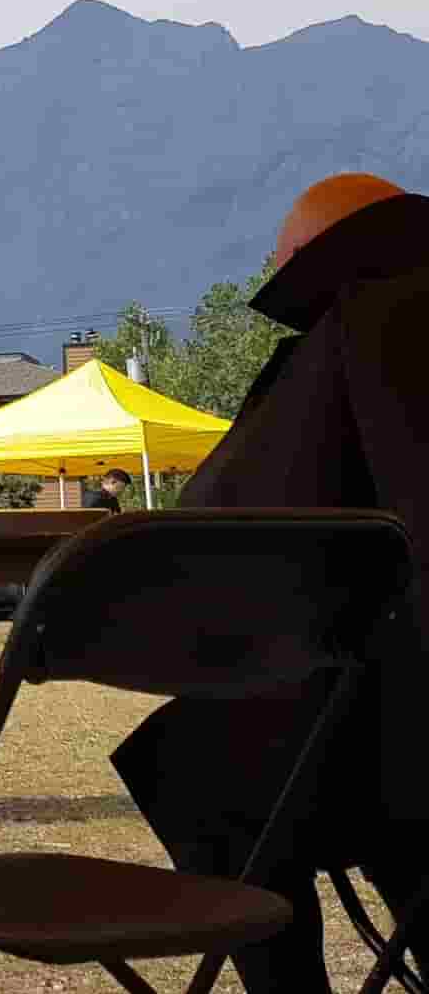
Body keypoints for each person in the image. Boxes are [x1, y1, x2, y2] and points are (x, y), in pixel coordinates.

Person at [109, 172, 429, 990]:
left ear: (316, 265)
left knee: (202, 765)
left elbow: (219, 524)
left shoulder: (358, 329)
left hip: (405, 720)